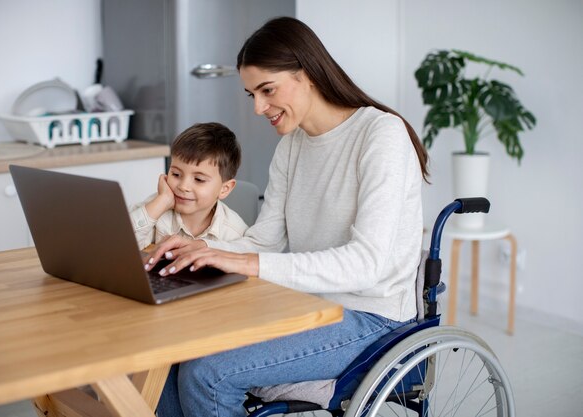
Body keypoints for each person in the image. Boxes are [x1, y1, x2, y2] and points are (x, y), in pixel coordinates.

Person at [148, 17, 429, 417]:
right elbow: (263, 240)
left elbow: (367, 265)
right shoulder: (292, 147)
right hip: (304, 305)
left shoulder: (381, 135)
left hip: (370, 318)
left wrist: (244, 262)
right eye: (252, 95)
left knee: (208, 373)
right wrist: (201, 249)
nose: (260, 108)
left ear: (307, 74)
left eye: (267, 90)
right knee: (168, 351)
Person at [129, 122, 248, 252]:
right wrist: (161, 202)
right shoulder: (157, 208)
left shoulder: (235, 233)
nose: (183, 186)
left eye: (199, 179)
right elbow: (119, 245)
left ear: (224, 189)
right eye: (176, 174)